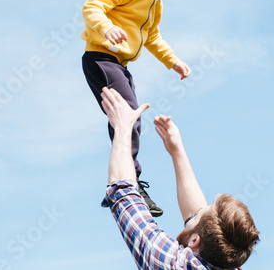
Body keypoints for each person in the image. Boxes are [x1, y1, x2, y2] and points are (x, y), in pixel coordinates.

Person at [81, 0, 191, 217]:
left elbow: (152, 37)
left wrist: (173, 61)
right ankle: (128, 182)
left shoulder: (154, 2)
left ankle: (127, 177)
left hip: (120, 64)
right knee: (129, 115)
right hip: (101, 58)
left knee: (128, 119)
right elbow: (91, 8)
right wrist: (106, 29)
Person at [100, 87, 260, 269]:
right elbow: (200, 222)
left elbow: (123, 193)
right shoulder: (228, 259)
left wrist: (122, 127)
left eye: (201, 212)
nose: (198, 209)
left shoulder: (171, 264)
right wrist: (177, 152)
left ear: (194, 240)